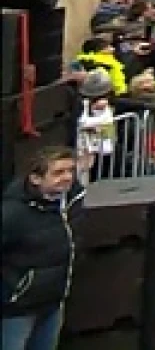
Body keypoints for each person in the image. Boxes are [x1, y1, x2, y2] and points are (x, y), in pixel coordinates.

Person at [0, 147, 85, 350]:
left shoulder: (72, 202)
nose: (67, 177)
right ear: (35, 178)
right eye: (58, 172)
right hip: (18, 309)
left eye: (70, 170)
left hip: (53, 302)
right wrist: (15, 290)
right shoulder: (12, 213)